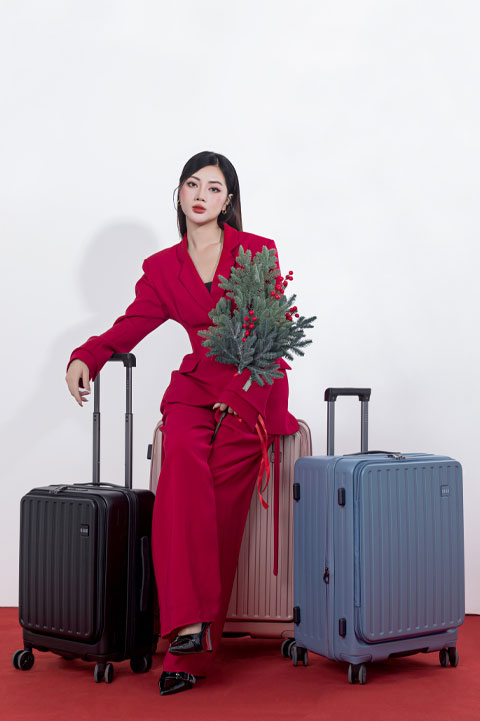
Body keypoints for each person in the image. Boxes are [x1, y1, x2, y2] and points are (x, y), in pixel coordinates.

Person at [65, 150, 299, 695]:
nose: (201, 195)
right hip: (194, 391)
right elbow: (130, 325)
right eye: (192, 184)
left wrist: (240, 395)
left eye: (213, 188)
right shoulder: (162, 268)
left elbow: (272, 335)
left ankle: (187, 654)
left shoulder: (257, 251)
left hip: (252, 386)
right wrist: (88, 356)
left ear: (228, 200)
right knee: (180, 474)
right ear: (179, 193)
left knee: (219, 496)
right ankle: (188, 626)